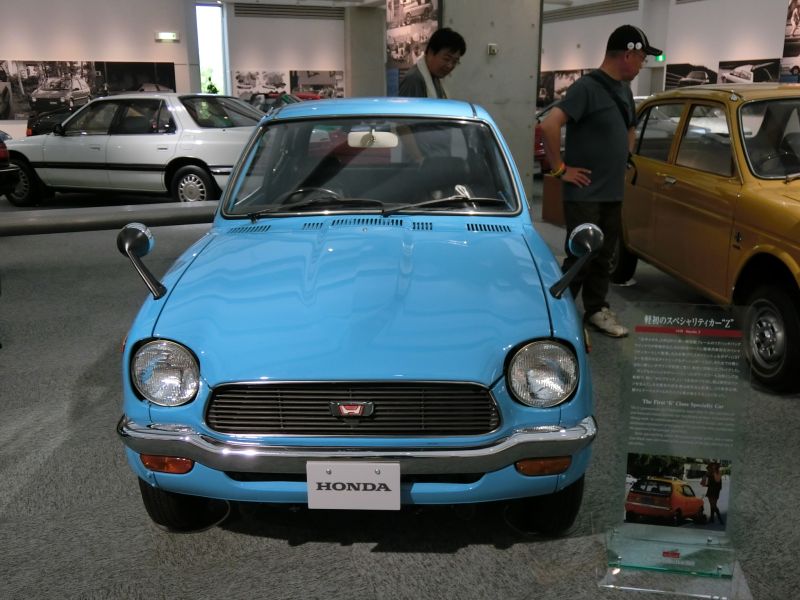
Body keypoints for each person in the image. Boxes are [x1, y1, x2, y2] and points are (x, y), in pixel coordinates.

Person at [540, 24, 662, 338]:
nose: (642, 65)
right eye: (642, 58)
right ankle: (557, 313)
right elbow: (549, 125)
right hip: (585, 193)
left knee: (605, 254)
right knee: (582, 254)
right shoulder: (586, 88)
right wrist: (560, 169)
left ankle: (596, 309)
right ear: (628, 54)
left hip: (611, 191)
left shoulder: (624, 90)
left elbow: (630, 127)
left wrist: (624, 157)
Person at [398, 27, 466, 98]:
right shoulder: (414, 79)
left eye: (455, 61)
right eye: (446, 59)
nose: (450, 65)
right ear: (431, 52)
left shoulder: (435, 77)